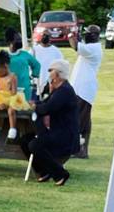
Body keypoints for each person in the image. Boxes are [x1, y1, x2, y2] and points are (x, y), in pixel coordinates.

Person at [20, 59, 79, 186]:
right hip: (56, 131)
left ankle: (60, 174)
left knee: (35, 145)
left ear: (57, 74)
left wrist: (35, 107)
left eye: (51, 70)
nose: (49, 73)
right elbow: (45, 103)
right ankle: (43, 171)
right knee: (25, 140)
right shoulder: (58, 90)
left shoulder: (65, 91)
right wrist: (35, 103)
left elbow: (47, 108)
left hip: (64, 135)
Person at [68, 25, 102, 159]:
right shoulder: (92, 47)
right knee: (85, 121)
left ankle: (77, 149)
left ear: (95, 36)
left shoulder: (92, 49)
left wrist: (71, 34)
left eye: (89, 33)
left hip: (82, 89)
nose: (87, 35)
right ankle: (83, 150)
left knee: (79, 121)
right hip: (83, 89)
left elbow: (74, 45)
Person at [7, 34, 40, 101]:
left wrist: (33, 75)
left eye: (20, 39)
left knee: (25, 108)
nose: (19, 41)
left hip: (24, 88)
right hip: (9, 88)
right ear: (9, 42)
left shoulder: (25, 54)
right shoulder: (5, 56)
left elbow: (37, 65)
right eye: (17, 40)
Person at [32, 33, 64, 97]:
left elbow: (61, 66)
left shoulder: (56, 51)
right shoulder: (34, 50)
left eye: (47, 35)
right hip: (37, 81)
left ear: (50, 38)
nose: (45, 37)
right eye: (43, 35)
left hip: (51, 81)